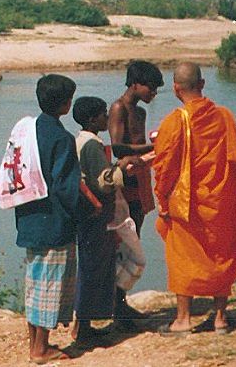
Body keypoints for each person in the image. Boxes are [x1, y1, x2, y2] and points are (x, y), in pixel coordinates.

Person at [153, 62, 236, 335]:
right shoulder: (224, 116)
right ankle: (220, 316)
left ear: (175, 88)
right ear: (202, 84)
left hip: (187, 205)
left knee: (182, 257)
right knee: (221, 254)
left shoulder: (175, 121)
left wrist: (163, 203)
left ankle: (183, 319)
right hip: (221, 202)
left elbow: (163, 170)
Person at [15, 74, 80, 364]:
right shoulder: (62, 138)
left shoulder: (26, 131)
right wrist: (82, 212)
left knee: (34, 283)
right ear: (66, 104)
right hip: (54, 221)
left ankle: (36, 344)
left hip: (29, 217)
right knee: (49, 285)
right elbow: (66, 186)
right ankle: (40, 350)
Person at [71, 96, 141, 349]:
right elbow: (104, 181)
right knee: (94, 268)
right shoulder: (92, 145)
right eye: (102, 114)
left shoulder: (80, 140)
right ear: (92, 119)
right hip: (96, 214)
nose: (106, 118)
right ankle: (84, 328)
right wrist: (123, 168)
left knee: (90, 266)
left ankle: (84, 324)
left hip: (85, 213)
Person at [108, 60, 164, 327]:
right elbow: (118, 147)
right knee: (124, 244)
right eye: (150, 87)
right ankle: (116, 306)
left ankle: (120, 303)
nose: (153, 93)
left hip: (139, 180)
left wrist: (148, 150)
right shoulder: (118, 107)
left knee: (136, 239)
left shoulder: (139, 113)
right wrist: (153, 145)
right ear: (135, 83)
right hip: (125, 183)